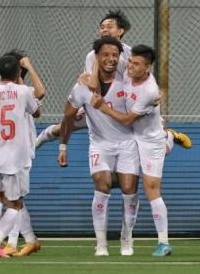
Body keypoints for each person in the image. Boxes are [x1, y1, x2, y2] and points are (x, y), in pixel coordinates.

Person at [36, 9, 191, 152]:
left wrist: (158, 92)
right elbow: (92, 86)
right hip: (100, 102)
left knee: (152, 148)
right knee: (64, 126)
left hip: (125, 105)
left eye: (109, 26)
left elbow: (145, 79)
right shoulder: (92, 56)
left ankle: (169, 136)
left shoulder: (130, 54)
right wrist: (88, 74)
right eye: (102, 27)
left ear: (120, 31)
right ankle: (36, 142)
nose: (104, 29)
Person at [91, 44, 172, 256]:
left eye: (137, 64)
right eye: (131, 62)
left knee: (151, 189)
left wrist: (103, 107)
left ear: (148, 69)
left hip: (149, 141)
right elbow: (108, 55)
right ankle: (169, 139)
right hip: (131, 138)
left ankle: (163, 242)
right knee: (123, 184)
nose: (130, 66)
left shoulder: (149, 91)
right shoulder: (128, 71)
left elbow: (127, 120)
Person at [61, 37, 139, 256]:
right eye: (105, 54)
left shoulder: (127, 82)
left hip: (127, 143)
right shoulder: (82, 87)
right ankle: (101, 243)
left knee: (129, 189)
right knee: (102, 185)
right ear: (96, 57)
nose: (111, 59)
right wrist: (62, 147)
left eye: (115, 55)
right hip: (100, 144)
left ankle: (126, 239)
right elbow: (66, 117)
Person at [0, 55, 41, 258]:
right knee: (15, 203)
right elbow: (37, 110)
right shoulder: (23, 92)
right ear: (18, 73)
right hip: (14, 157)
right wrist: (29, 67)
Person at [0, 50, 44, 257]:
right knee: (14, 199)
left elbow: (40, 96)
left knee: (12, 199)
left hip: (20, 152)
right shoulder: (2, 91)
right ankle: (31, 240)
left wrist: (30, 67)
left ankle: (12, 243)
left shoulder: (25, 91)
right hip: (5, 151)